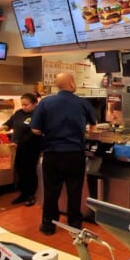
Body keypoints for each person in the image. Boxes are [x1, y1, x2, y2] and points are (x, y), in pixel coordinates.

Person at [31, 73, 96, 235]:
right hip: (75, 155)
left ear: (57, 85)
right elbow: (93, 127)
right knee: (75, 191)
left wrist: (50, 133)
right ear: (72, 83)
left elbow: (35, 129)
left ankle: (48, 225)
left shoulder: (45, 102)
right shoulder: (83, 103)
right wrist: (82, 134)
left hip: (52, 155)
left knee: (51, 191)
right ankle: (74, 225)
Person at [0, 93, 42, 207]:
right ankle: (23, 193)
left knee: (30, 171)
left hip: (32, 147)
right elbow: (10, 123)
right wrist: (4, 127)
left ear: (35, 103)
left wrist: (19, 142)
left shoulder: (38, 115)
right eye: (22, 104)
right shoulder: (19, 113)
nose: (24, 107)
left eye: (27, 104)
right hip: (19, 148)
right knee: (20, 170)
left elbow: (34, 133)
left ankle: (31, 195)